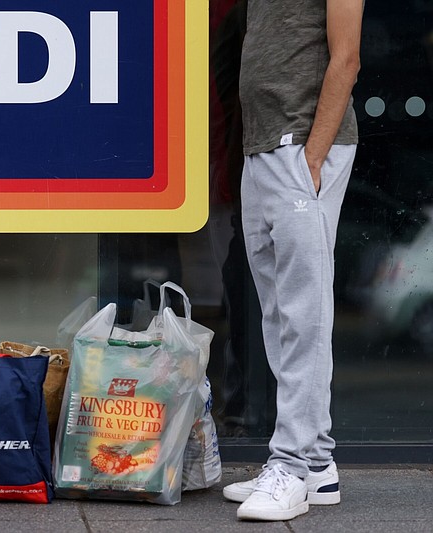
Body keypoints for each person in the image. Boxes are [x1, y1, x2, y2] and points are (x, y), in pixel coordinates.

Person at [221, 0, 364, 522]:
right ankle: (318, 464)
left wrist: (313, 156)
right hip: (263, 147)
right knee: (280, 314)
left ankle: (291, 464)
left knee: (304, 311)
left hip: (301, 145)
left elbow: (346, 57)